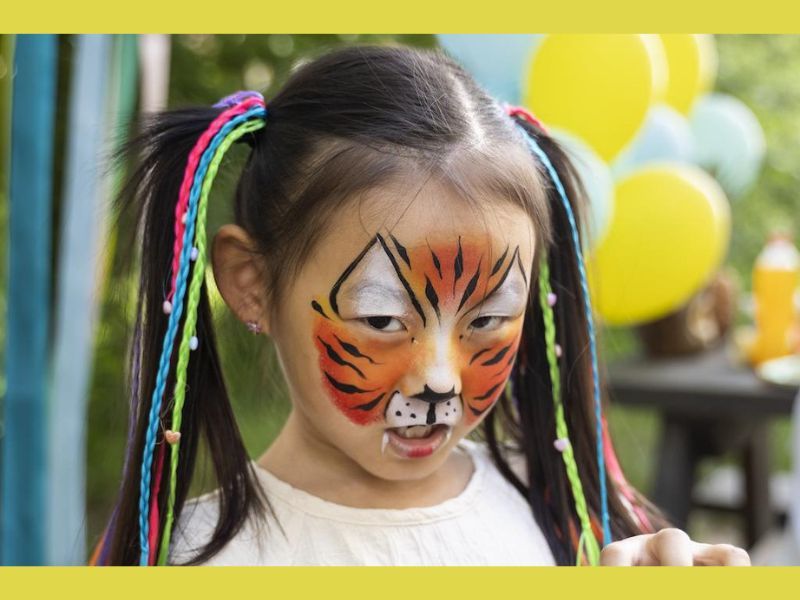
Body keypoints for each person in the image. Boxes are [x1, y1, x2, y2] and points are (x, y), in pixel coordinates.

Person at [89, 44, 750, 567]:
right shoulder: (189, 561)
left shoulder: (563, 514)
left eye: (488, 319)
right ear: (251, 283)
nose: (439, 380)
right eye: (381, 320)